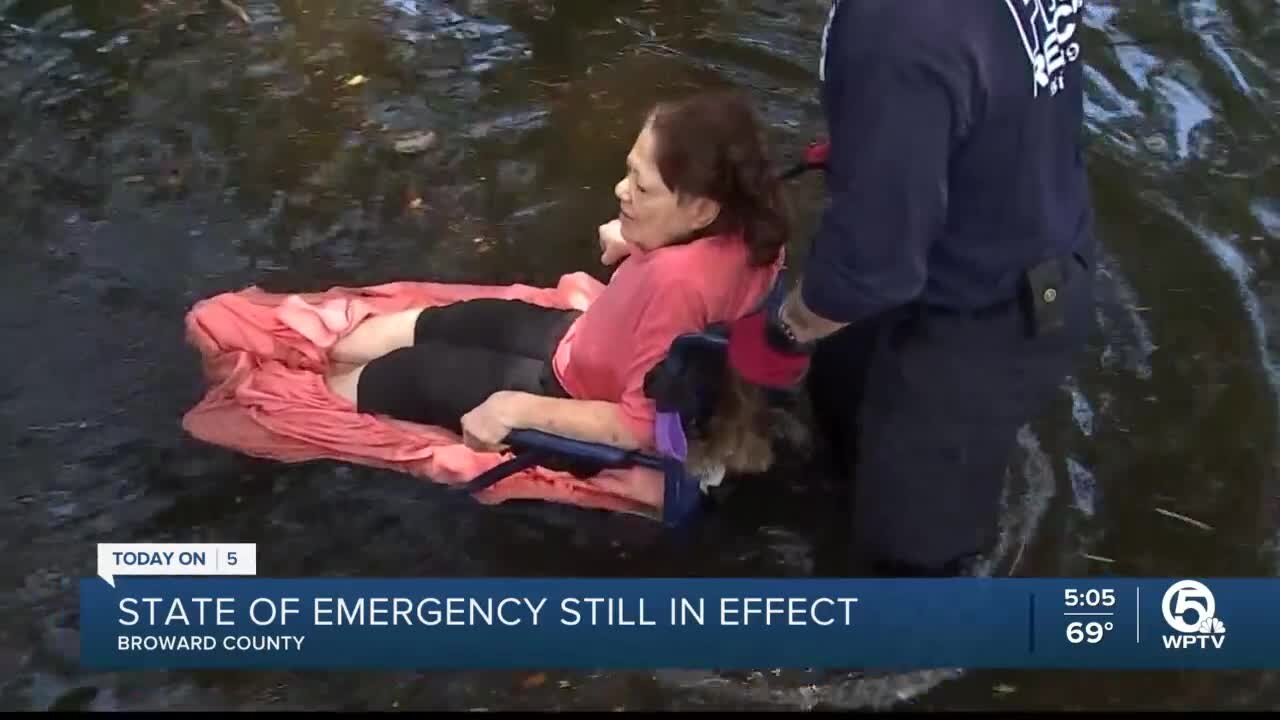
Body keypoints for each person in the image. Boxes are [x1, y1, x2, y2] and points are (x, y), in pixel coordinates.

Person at [727, 0, 1097, 577]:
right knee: (835, 407)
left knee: (908, 562)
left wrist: (783, 333)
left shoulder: (895, 27)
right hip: (998, 223)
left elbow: (868, 267)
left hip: (984, 318)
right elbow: (1002, 70)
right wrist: (894, 141)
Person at [324, 90, 790, 476]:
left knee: (397, 376)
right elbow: (714, 279)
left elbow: (640, 426)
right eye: (629, 172)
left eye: (642, 188)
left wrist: (516, 409)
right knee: (432, 325)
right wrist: (641, 241)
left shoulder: (677, 286)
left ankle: (314, 393)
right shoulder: (754, 233)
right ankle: (331, 360)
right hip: (579, 339)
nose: (620, 191)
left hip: (570, 391)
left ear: (701, 210)